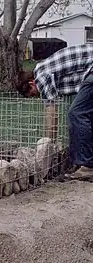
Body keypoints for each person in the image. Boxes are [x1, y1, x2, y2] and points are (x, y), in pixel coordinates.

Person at [15, 44, 93, 180]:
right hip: (89, 69)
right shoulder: (44, 69)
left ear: (32, 83)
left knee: (76, 113)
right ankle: (80, 162)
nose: (36, 96)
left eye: (33, 94)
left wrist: (49, 142)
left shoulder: (41, 78)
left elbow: (52, 112)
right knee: (83, 115)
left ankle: (87, 166)